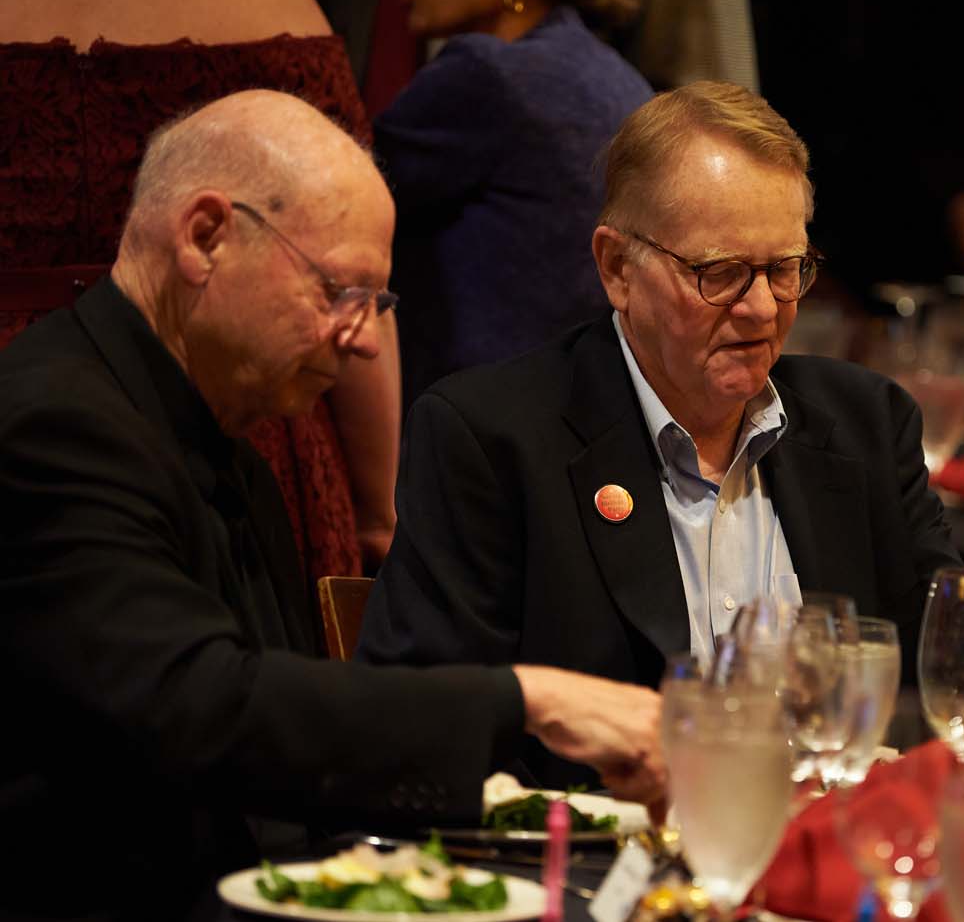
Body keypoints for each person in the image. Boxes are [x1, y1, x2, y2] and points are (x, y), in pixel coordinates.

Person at [0, 90, 665, 922]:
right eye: (341, 291)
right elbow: (203, 709)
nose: (366, 340)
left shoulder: (224, 441)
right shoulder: (53, 424)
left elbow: (288, 755)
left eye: (377, 304)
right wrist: (534, 700)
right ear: (206, 237)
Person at [358, 80, 964, 787]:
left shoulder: (863, 423)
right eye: (719, 273)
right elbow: (420, 714)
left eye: (784, 269)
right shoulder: (492, 438)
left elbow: (952, 622)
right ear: (617, 267)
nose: (760, 309)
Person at [0, 0, 401, 578]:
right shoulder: (272, 8)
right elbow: (342, 262)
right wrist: (376, 515)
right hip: (246, 413)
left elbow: (346, 276)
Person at [375, 0, 652, 408]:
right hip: (585, 413)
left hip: (473, 425)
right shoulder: (622, 78)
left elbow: (339, 198)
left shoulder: (487, 73)